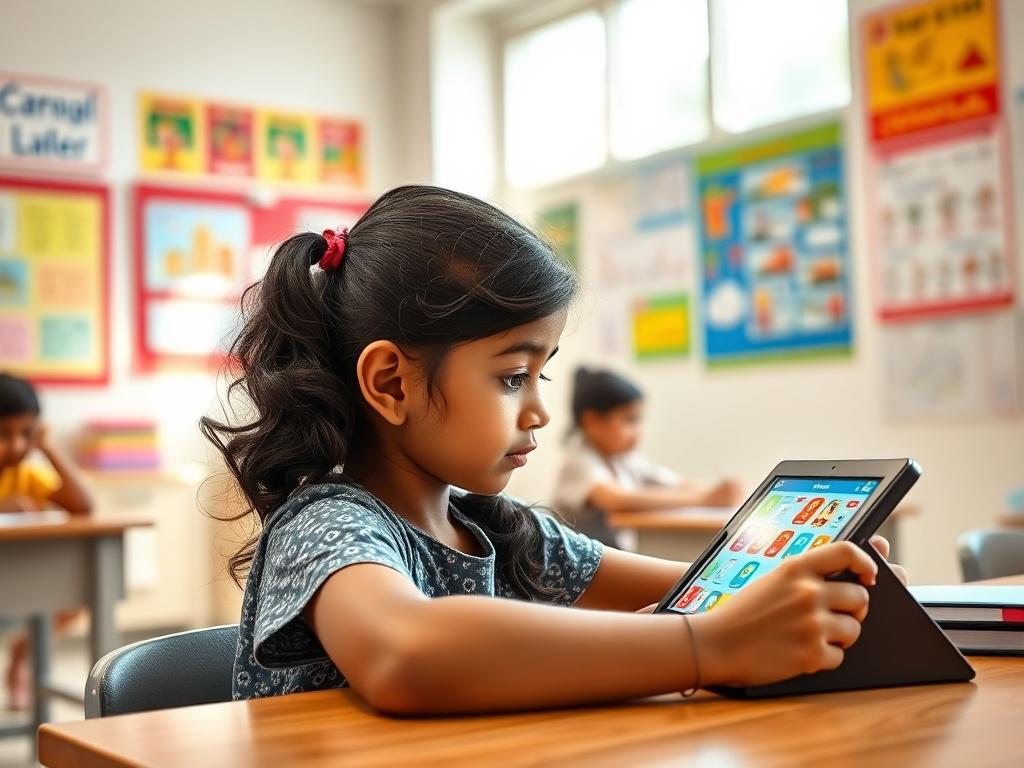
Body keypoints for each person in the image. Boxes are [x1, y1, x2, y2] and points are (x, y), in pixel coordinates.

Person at [202, 185, 904, 713]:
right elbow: (405, 650)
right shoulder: (327, 525)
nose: (539, 408)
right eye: (513, 376)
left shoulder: (506, 535)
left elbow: (700, 588)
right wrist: (705, 645)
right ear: (391, 383)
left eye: (543, 373)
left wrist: (805, 584)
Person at [552, 367, 742, 546]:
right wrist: (705, 499)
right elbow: (618, 501)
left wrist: (715, 492)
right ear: (592, 422)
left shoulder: (624, 459)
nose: (639, 432)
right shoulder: (577, 461)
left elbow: (673, 483)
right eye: (630, 420)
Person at [0, 373, 93, 710]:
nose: (16, 447)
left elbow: (84, 504)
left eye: (26, 434)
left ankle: (24, 650)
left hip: (19, 579)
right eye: (3, 434)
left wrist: (49, 447)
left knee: (76, 597)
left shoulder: (24, 473)